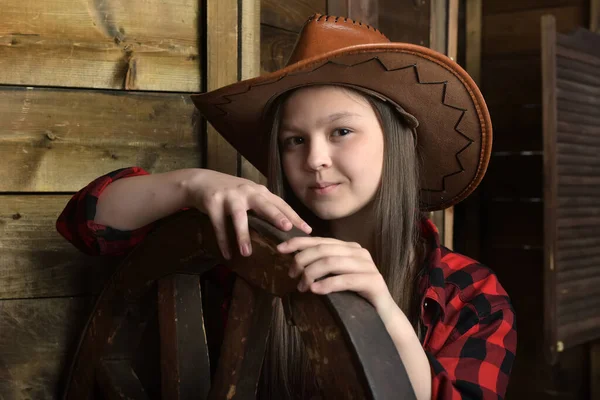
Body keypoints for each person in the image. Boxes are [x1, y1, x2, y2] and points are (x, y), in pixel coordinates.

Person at [57, 13, 516, 400]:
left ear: (396, 145)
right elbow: (87, 224)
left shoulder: (469, 293)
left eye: (341, 132)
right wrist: (191, 185)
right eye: (294, 141)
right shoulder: (248, 244)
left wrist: (382, 309)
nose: (314, 159)